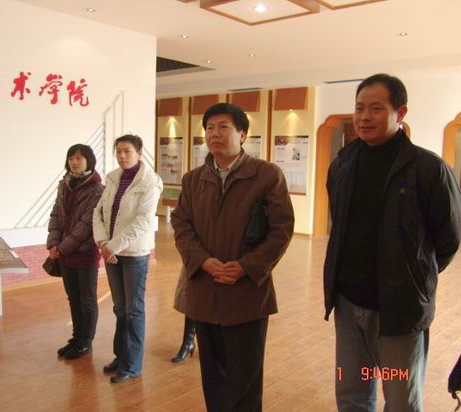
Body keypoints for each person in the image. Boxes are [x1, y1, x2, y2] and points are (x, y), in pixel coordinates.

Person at [323, 73, 461, 412]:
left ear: (400, 113)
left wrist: (414, 275)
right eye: (359, 108)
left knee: (401, 398)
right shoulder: (343, 163)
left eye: (376, 109)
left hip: (398, 310)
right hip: (348, 303)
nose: (364, 117)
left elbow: (450, 235)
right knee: (351, 391)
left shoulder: (427, 168)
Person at [171, 103, 295, 412]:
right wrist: (203, 261)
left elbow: (281, 229)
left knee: (245, 380)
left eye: (223, 127)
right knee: (213, 379)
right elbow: (181, 225)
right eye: (209, 128)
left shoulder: (266, 175)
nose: (214, 133)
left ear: (242, 134)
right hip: (204, 290)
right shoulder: (193, 179)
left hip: (246, 294)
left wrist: (246, 266)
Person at [92, 134, 162, 384]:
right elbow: (98, 213)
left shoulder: (150, 182)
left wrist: (112, 246)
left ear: (139, 153)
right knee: (120, 309)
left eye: (127, 151)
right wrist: (103, 243)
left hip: (133, 254)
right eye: (119, 151)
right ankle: (120, 356)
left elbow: (143, 221)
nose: (122, 156)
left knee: (133, 311)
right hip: (111, 252)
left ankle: (132, 365)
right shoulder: (113, 178)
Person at [47, 144, 104, 360]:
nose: (74, 162)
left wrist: (61, 248)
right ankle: (76, 338)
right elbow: (56, 215)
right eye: (71, 158)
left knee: (87, 299)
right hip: (64, 252)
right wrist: (53, 243)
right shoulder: (64, 185)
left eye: (79, 158)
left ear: (89, 161)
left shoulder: (97, 189)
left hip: (85, 251)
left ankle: (85, 342)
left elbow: (86, 224)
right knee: (73, 298)